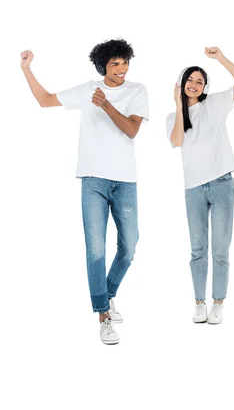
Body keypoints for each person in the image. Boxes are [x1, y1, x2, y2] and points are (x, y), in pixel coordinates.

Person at [20, 38, 149, 345]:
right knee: (95, 249)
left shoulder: (137, 91)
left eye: (125, 62)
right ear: (102, 65)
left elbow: (131, 130)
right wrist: (27, 69)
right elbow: (45, 100)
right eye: (114, 64)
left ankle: (107, 293)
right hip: (93, 180)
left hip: (125, 181)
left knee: (129, 247)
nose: (121, 69)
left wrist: (105, 104)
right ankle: (103, 314)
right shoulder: (87, 89)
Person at [167, 47, 234, 325]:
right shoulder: (174, 117)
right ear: (182, 83)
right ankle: (199, 303)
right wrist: (179, 107)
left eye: (200, 81)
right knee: (198, 249)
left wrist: (221, 59)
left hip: (221, 184)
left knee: (220, 250)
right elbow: (177, 140)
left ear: (204, 87)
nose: (194, 84)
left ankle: (218, 303)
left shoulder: (214, 104)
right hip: (193, 190)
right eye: (190, 80)